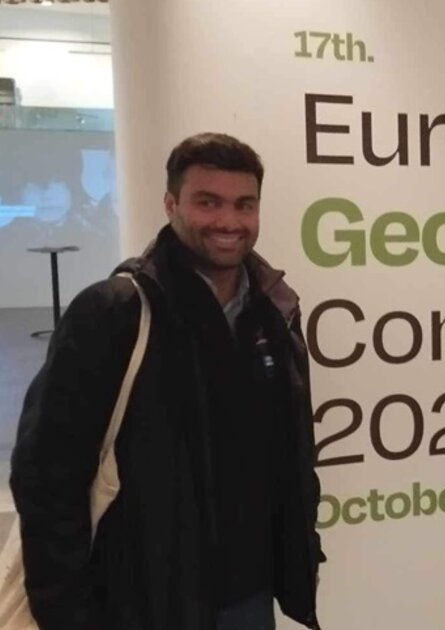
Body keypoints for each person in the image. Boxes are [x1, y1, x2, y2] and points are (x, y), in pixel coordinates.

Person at [11, 133, 323, 630]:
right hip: (143, 600)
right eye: (208, 202)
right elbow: (46, 476)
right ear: (171, 204)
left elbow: (289, 452)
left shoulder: (273, 312)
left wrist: (300, 553)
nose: (228, 221)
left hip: (249, 593)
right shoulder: (116, 313)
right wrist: (66, 613)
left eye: (244, 205)